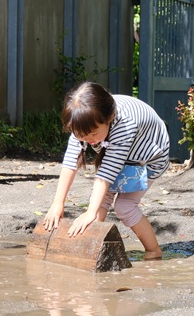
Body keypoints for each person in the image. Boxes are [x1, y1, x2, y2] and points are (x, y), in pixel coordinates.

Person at [43, 81, 170, 260]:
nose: (88, 139)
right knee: (100, 202)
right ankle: (91, 252)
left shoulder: (124, 124)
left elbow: (107, 172)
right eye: (81, 135)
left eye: (94, 134)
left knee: (124, 207)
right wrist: (58, 203)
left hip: (149, 156)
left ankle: (154, 251)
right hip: (123, 152)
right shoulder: (82, 120)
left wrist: (90, 212)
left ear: (109, 119)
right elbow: (71, 160)